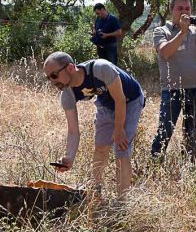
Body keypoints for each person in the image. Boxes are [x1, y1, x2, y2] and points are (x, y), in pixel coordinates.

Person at [45, 52, 144, 200]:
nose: (52, 82)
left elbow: (120, 100)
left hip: (130, 100)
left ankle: (122, 201)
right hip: (105, 104)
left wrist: (118, 129)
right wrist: (69, 158)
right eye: (48, 78)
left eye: (54, 75)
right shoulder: (67, 94)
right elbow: (73, 131)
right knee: (101, 147)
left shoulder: (101, 69)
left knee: (121, 148)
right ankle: (96, 191)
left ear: (71, 68)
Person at [150, 0, 196, 164]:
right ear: (171, 9)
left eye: (187, 8)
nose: (184, 12)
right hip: (172, 89)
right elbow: (165, 52)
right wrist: (182, 31)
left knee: (191, 131)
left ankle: (190, 164)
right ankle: (155, 163)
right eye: (180, 8)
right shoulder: (161, 31)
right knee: (165, 130)